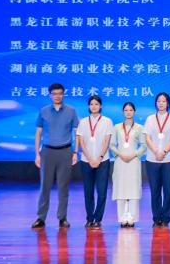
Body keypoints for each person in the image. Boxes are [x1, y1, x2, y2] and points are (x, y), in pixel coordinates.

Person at [32, 84, 79, 229]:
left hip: (65, 151)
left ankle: (62, 218)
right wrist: (37, 154)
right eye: (54, 94)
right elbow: (38, 133)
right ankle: (41, 218)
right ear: (50, 95)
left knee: (63, 187)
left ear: (63, 94)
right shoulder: (44, 111)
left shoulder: (71, 111)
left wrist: (76, 152)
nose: (57, 96)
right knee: (44, 186)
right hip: (47, 152)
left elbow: (77, 133)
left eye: (60, 93)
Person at [144, 92, 170, 227]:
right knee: (155, 190)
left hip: (169, 159)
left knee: (168, 190)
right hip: (152, 159)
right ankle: (156, 217)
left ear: (168, 103)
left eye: (163, 101)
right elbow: (147, 137)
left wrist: (164, 151)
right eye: (159, 101)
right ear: (156, 103)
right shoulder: (150, 119)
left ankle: (166, 218)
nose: (161, 103)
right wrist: (156, 151)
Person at [77, 94, 113, 229]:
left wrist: (99, 158)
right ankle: (89, 218)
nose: (94, 106)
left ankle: (98, 218)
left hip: (102, 161)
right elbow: (81, 142)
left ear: (101, 106)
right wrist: (90, 158)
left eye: (96, 104)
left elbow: (107, 141)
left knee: (102, 191)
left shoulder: (107, 121)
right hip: (86, 161)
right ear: (88, 106)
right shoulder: (83, 122)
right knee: (88, 191)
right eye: (91, 104)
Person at [110, 101, 145, 228]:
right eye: (126, 110)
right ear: (123, 112)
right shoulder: (117, 127)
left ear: (134, 112)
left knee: (133, 188)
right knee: (121, 188)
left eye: (131, 110)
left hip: (134, 160)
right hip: (120, 160)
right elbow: (112, 145)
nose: (128, 112)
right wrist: (120, 154)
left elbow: (144, 145)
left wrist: (134, 154)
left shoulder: (139, 128)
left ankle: (132, 218)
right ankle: (122, 218)